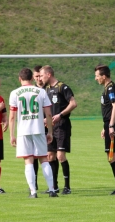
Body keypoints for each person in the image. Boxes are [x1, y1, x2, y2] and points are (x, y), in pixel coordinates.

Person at [9, 67, 58, 198]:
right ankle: (52, 190)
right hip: (38, 129)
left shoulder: (15, 93)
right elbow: (48, 113)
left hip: (23, 132)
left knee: (28, 161)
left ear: (20, 79)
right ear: (32, 78)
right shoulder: (40, 92)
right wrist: (50, 132)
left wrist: (12, 135)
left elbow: (12, 116)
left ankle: (33, 192)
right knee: (44, 159)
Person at [39, 65, 77, 195]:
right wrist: (45, 119)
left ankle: (67, 187)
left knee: (60, 156)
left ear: (48, 75)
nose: (40, 78)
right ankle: (54, 186)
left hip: (62, 126)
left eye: (42, 75)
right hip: (51, 128)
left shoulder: (62, 87)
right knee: (50, 156)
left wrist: (60, 115)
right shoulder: (46, 89)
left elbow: (73, 103)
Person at [94, 65, 115, 195]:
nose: (96, 78)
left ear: (104, 76)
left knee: (112, 156)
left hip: (113, 125)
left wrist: (111, 125)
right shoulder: (107, 88)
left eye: (97, 76)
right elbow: (109, 109)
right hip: (110, 124)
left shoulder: (111, 88)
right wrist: (105, 126)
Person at [31, 65, 46, 190]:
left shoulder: (49, 89)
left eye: (40, 76)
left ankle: (53, 185)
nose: (39, 79)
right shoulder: (31, 91)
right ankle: (34, 184)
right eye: (36, 76)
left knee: (50, 155)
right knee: (34, 156)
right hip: (35, 127)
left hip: (48, 125)